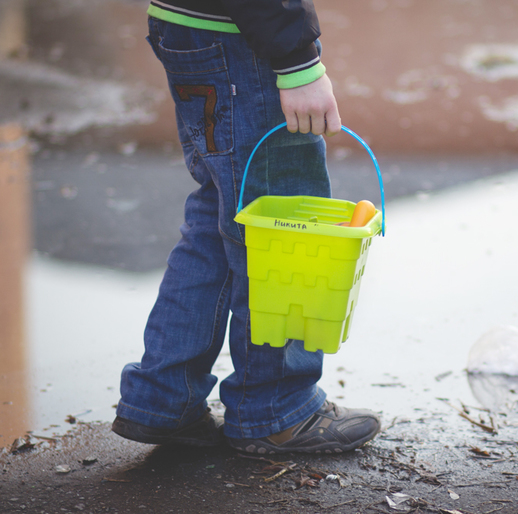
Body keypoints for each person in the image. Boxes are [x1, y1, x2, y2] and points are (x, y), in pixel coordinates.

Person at [111, 0, 381, 455]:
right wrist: (299, 64)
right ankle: (276, 412)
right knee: (284, 231)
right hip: (244, 41)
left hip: (188, 25)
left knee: (220, 214)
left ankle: (163, 399)